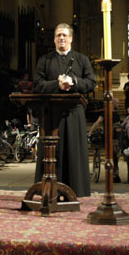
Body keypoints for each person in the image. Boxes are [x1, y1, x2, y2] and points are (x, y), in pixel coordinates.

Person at [33, 23, 96, 197]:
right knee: (52, 152)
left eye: (65, 35)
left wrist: (74, 82)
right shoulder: (45, 60)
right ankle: (48, 189)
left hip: (74, 113)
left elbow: (91, 83)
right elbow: (37, 84)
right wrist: (57, 84)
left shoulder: (82, 60)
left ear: (71, 39)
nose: (61, 38)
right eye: (58, 35)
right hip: (51, 115)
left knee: (73, 153)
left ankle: (74, 190)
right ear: (54, 39)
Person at [88, 97, 123, 182]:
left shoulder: (116, 114)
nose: (119, 105)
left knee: (115, 156)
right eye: (117, 103)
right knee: (114, 155)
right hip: (109, 138)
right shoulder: (105, 113)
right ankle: (114, 174)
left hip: (114, 138)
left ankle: (115, 173)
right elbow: (98, 122)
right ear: (113, 103)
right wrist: (91, 132)